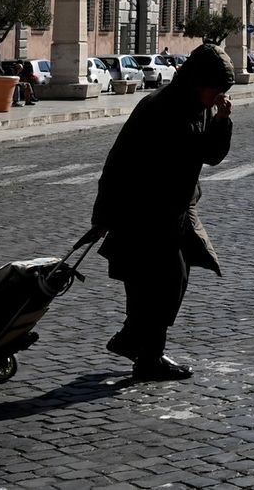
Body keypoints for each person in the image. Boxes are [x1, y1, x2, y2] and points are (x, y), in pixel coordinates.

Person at [84, 43, 234, 381]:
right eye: (216, 89)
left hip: (177, 210)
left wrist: (222, 120)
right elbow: (118, 162)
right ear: (198, 81)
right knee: (158, 282)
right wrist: (103, 215)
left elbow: (209, 155)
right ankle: (141, 349)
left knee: (160, 283)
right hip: (142, 211)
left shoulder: (201, 107)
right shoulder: (158, 108)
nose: (219, 96)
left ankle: (141, 349)